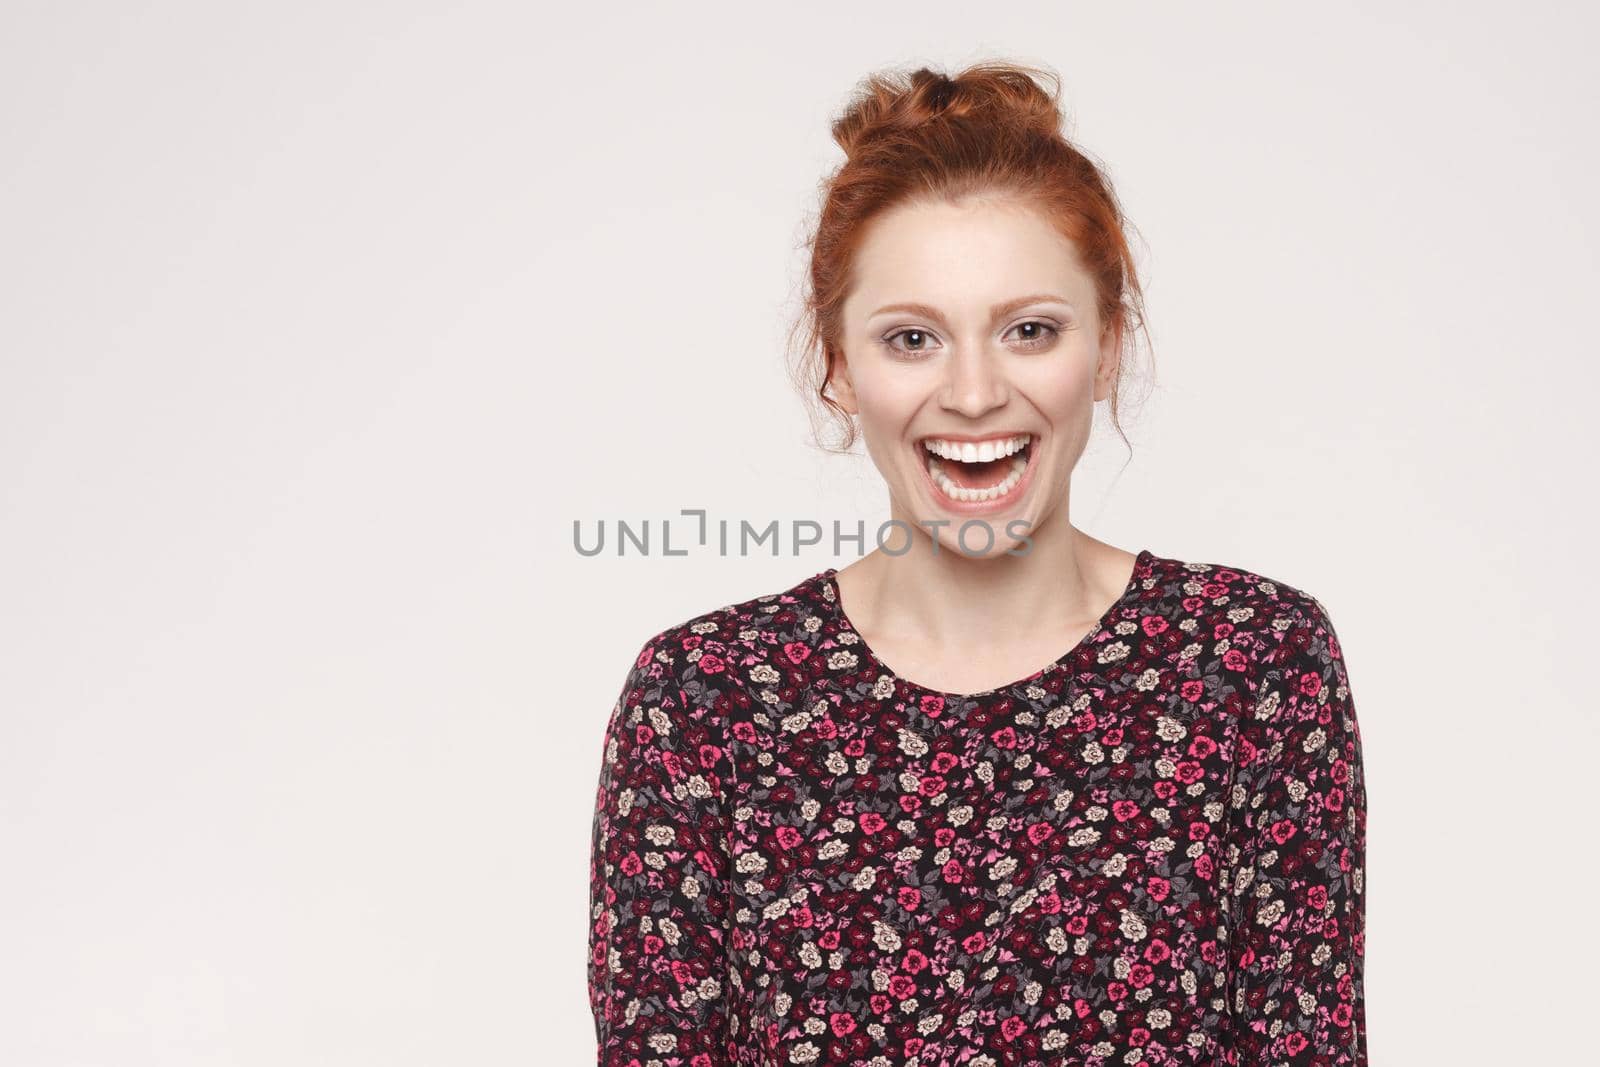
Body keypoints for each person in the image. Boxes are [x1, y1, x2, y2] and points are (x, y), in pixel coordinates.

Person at [586, 61, 1368, 1067]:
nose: (970, 391)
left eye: (1028, 330)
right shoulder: (706, 699)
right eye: (911, 337)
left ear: (1108, 347)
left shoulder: (1251, 664)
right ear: (836, 367)